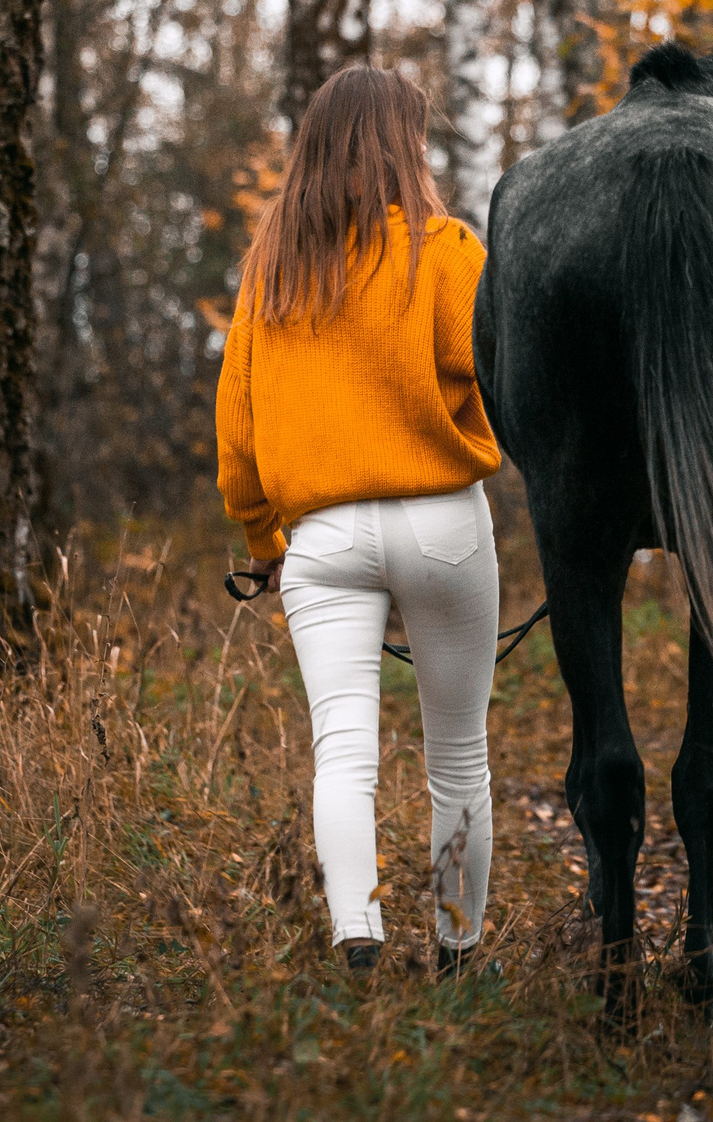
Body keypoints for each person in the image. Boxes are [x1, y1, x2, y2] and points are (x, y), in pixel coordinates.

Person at [215, 66, 502, 973]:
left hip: (324, 538)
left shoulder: (274, 272)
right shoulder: (449, 252)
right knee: (459, 755)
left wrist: (265, 545)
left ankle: (358, 935)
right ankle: (458, 947)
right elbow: (501, 374)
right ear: (399, 146)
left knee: (343, 752)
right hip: (444, 522)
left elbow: (238, 431)